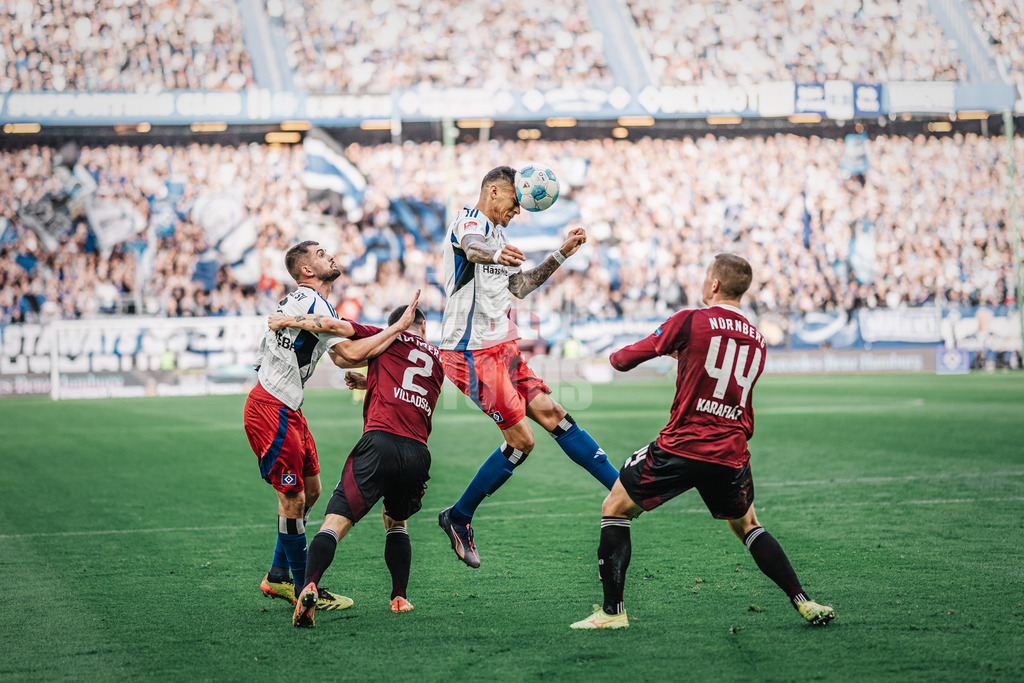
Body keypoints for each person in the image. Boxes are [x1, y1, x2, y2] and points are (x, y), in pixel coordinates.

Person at [570, 253, 835, 629]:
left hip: (682, 446)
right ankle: (803, 601)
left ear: (713, 284)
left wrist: (614, 355)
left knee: (615, 507)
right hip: (731, 451)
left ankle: (612, 614)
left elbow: (624, 361)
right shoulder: (758, 339)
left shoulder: (692, 320)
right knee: (748, 525)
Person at [435, 165, 620, 569]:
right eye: (516, 203)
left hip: (502, 345)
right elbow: (470, 248)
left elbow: (520, 286)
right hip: (469, 352)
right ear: (495, 191)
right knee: (522, 440)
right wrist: (496, 253)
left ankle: (624, 489)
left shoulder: (501, 236)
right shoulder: (468, 221)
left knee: (555, 415)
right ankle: (458, 516)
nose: (518, 211)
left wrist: (560, 255)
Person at [244, 239, 420, 613]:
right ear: (306, 270)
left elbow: (341, 357)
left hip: (288, 407)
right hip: (272, 407)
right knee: (292, 499)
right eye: (321, 254)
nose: (331, 256)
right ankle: (300, 585)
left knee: (311, 491)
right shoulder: (312, 302)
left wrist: (366, 372)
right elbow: (352, 351)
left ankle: (278, 575)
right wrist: (398, 331)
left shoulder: (310, 304)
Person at [268, 304, 445, 628]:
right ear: (425, 328)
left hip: (379, 444)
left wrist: (287, 319)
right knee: (396, 522)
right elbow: (407, 384)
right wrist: (368, 383)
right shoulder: (436, 359)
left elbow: (334, 326)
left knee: (335, 523)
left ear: (398, 324)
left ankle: (309, 585)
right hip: (417, 453)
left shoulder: (385, 338)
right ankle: (399, 597)